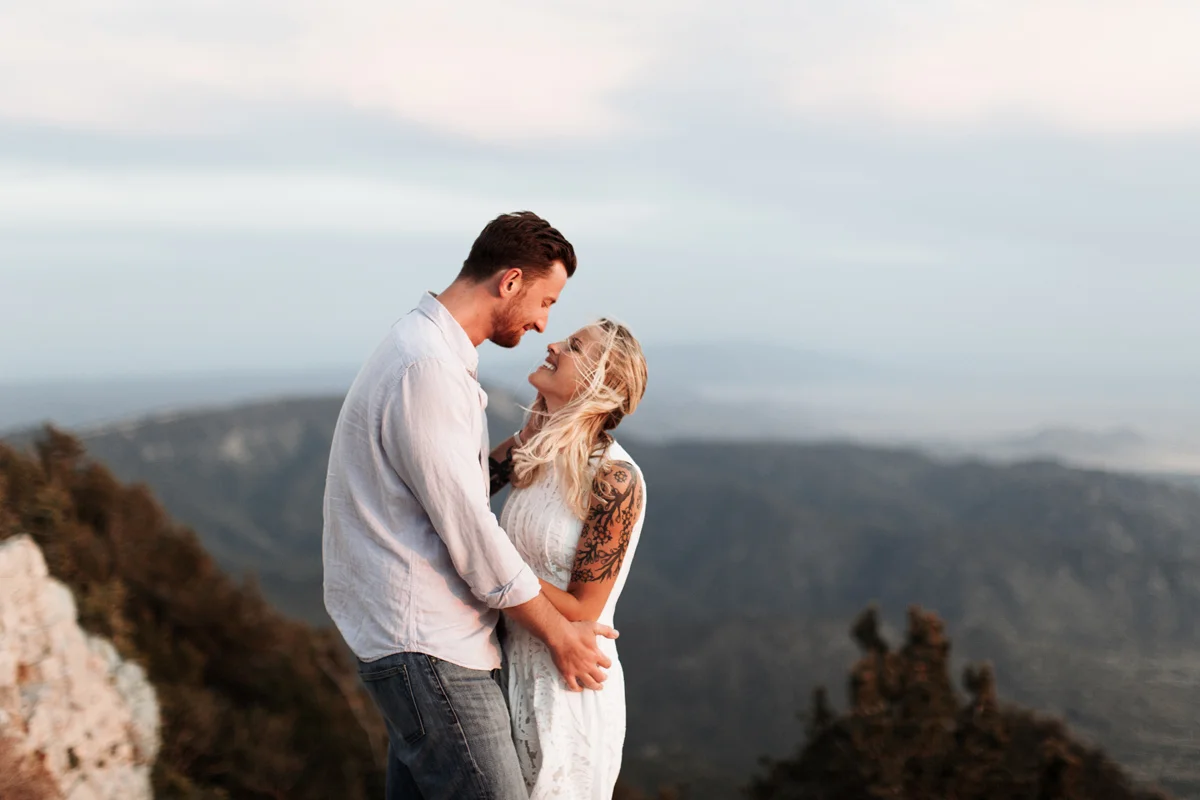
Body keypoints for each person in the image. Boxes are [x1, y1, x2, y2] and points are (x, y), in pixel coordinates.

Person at [322, 211, 617, 800]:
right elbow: (471, 533)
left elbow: (446, 489)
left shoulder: (427, 350)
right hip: (429, 646)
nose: (542, 324)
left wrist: (532, 442)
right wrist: (560, 634)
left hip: (419, 642)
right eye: (546, 301)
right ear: (509, 282)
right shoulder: (428, 368)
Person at [489, 318, 648, 799]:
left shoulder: (615, 480)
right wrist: (529, 433)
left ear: (601, 383)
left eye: (574, 346)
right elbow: (458, 496)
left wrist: (494, 572)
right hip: (504, 666)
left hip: (566, 690)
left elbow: (583, 610)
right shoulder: (534, 451)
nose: (553, 344)